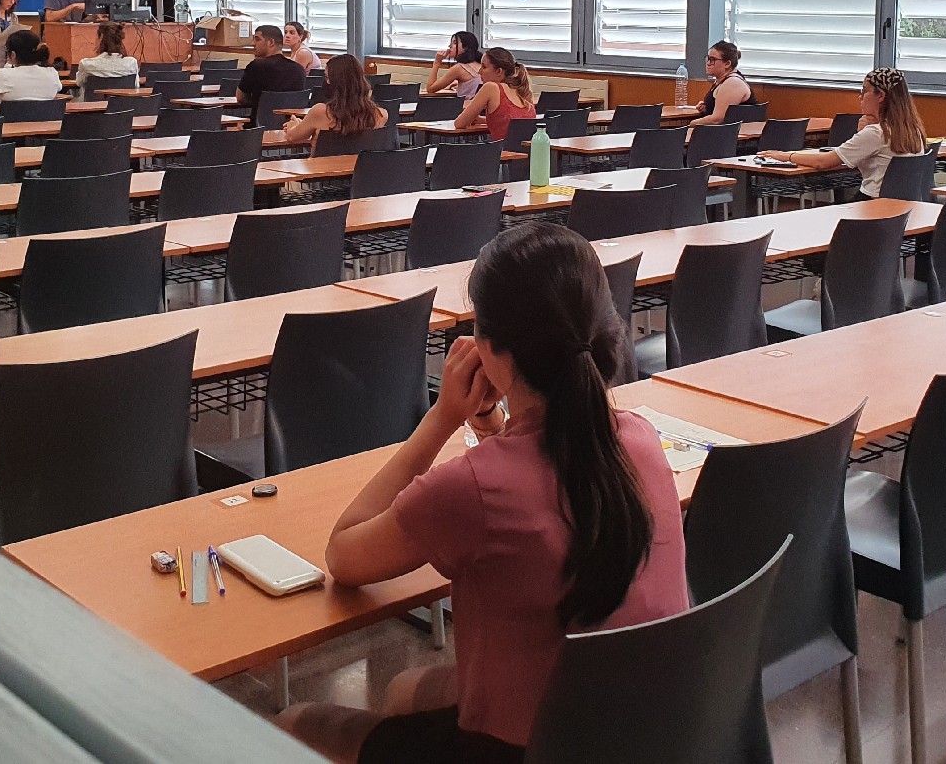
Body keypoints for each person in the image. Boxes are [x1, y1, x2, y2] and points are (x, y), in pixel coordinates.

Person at [280, 223, 688, 763]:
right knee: (405, 691)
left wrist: (444, 415)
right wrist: (492, 423)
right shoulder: (639, 437)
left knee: (294, 725)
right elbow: (534, 487)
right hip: (641, 728)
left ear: (494, 350)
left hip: (529, 750)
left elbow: (344, 555)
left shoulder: (469, 489)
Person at [761, 66, 929, 198]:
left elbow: (823, 162)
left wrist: (785, 156)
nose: (860, 97)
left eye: (864, 91)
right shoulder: (913, 131)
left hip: (872, 204)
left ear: (881, 96)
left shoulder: (876, 133)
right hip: (902, 208)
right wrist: (862, 132)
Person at [282, 54, 391, 150]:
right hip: (360, 167)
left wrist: (294, 125)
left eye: (327, 77)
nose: (326, 81)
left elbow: (292, 137)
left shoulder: (320, 112)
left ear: (335, 81)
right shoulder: (381, 115)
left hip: (323, 166)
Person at [454, 46, 535, 141]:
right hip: (526, 150)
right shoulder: (523, 91)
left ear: (498, 71)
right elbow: (511, 123)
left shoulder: (491, 87)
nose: (479, 72)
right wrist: (483, 120)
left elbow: (459, 124)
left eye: (484, 67)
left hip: (501, 149)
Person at [236, 22, 308, 119]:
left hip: (259, 123)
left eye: (257, 39)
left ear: (271, 42)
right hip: (290, 124)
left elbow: (240, 98)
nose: (253, 43)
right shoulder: (299, 69)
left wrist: (260, 102)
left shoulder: (256, 66)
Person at [0, 30, 63, 104]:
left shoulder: (3, 75)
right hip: (46, 113)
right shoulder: (52, 73)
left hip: (14, 113)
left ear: (13, 55)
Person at [688, 41, 753, 126]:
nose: (708, 63)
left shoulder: (733, 82)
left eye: (713, 60)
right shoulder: (720, 80)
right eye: (708, 59)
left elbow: (717, 120)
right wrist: (707, 108)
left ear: (727, 64)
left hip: (734, 133)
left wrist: (690, 125)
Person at [73, 20, 139, 95]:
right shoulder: (132, 63)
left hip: (94, 102)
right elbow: (136, 86)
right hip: (124, 102)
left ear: (101, 37)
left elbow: (79, 83)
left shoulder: (86, 64)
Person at [424, 30, 483, 98]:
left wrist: (437, 62)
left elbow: (430, 89)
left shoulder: (459, 68)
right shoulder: (480, 64)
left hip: (467, 104)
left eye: (455, 43)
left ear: (466, 47)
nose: (449, 46)